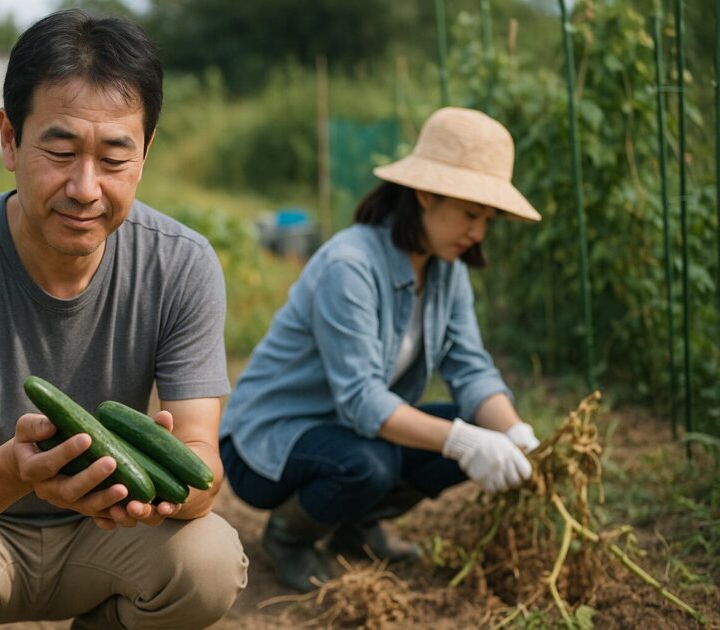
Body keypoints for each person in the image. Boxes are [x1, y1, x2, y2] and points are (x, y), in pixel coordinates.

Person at [0, 10, 248, 628]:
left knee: (208, 560)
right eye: (61, 149)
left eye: (115, 158)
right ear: (10, 139)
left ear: (147, 152)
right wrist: (16, 469)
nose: (85, 187)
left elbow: (203, 467)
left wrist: (159, 480)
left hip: (110, 538)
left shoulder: (183, 264)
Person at [219, 106, 542, 593]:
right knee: (373, 464)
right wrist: (464, 441)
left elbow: (471, 369)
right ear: (426, 194)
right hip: (267, 444)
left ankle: (354, 527)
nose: (479, 232)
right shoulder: (349, 265)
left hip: (347, 432)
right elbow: (362, 401)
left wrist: (515, 434)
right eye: (471, 214)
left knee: (460, 429)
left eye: (488, 219)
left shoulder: (445, 271)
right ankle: (289, 537)